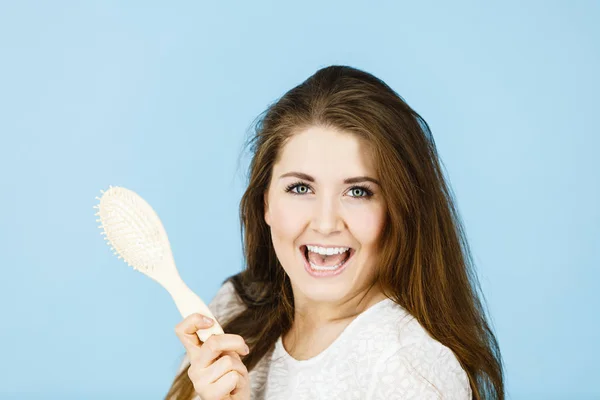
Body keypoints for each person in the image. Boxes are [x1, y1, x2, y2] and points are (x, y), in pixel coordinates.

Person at [164, 65, 505, 400]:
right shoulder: (233, 311)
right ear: (265, 201)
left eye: (358, 192)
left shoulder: (412, 369)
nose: (326, 223)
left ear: (399, 210)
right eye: (300, 188)